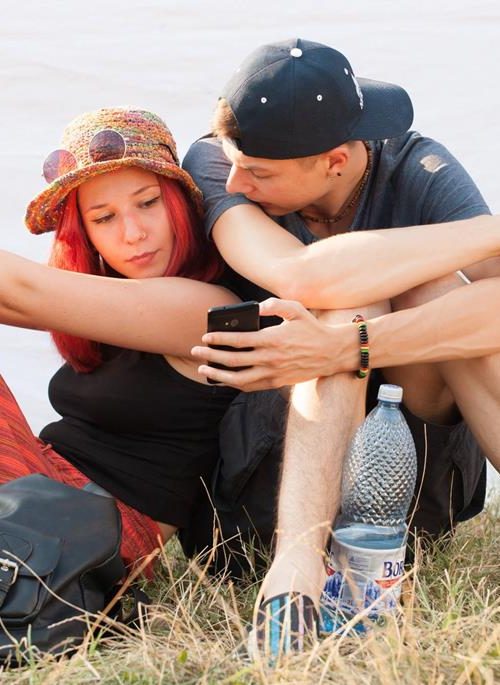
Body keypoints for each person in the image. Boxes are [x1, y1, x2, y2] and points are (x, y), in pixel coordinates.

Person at [183, 38, 500, 651]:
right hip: (270, 479)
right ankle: (293, 580)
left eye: (261, 172)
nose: (237, 182)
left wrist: (352, 345)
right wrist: (490, 233)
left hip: (412, 484)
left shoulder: (417, 168)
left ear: (334, 160)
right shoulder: (218, 159)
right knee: (349, 300)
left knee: (434, 290)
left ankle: (353, 566)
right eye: (236, 161)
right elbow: (304, 277)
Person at [0, 106, 240, 577]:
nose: (133, 233)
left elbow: (21, 292)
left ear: (180, 203)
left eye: (148, 203)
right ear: (85, 235)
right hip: (41, 495)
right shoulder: (110, 307)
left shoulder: (211, 310)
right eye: (104, 217)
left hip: (93, 533)